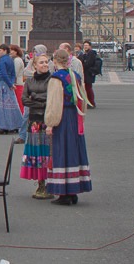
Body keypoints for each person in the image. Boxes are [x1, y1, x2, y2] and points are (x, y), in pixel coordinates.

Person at [43, 48, 92, 205]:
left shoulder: (56, 78)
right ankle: (74, 189)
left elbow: (54, 102)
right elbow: (82, 98)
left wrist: (50, 123)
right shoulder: (74, 76)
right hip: (74, 116)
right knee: (73, 151)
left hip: (62, 117)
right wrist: (81, 117)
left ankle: (63, 192)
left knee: (61, 151)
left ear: (55, 61)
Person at [21, 52, 53, 199]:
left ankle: (50, 184)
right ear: (34, 65)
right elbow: (24, 100)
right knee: (37, 153)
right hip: (34, 121)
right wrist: (41, 101)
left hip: (48, 120)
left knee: (48, 153)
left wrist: (35, 98)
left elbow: (52, 99)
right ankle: (40, 184)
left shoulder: (53, 80)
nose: (45, 65)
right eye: (42, 62)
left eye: (46, 62)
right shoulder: (29, 81)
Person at [0, 45, 22, 133]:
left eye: (0, 51)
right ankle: (15, 125)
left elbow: (3, 74)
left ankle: (3, 126)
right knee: (12, 105)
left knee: (1, 107)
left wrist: (8, 83)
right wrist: (11, 83)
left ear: (5, 51)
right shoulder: (10, 59)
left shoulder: (2, 60)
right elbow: (13, 74)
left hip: (2, 84)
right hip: (8, 85)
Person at [78, 41, 102, 108]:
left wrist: (82, 65)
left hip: (88, 73)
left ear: (90, 46)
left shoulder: (91, 53)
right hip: (86, 73)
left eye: (87, 45)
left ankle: (91, 103)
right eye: (84, 45)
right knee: (86, 88)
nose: (85, 46)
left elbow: (88, 63)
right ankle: (89, 102)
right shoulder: (84, 54)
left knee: (88, 88)